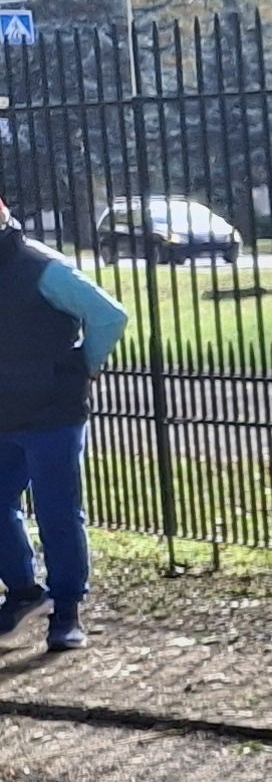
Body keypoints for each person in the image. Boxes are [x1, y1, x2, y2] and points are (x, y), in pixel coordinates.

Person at [0, 202, 124, 654]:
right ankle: (23, 591)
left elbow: (109, 315)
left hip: (51, 412)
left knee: (57, 510)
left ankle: (67, 609)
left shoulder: (42, 267)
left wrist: (81, 368)